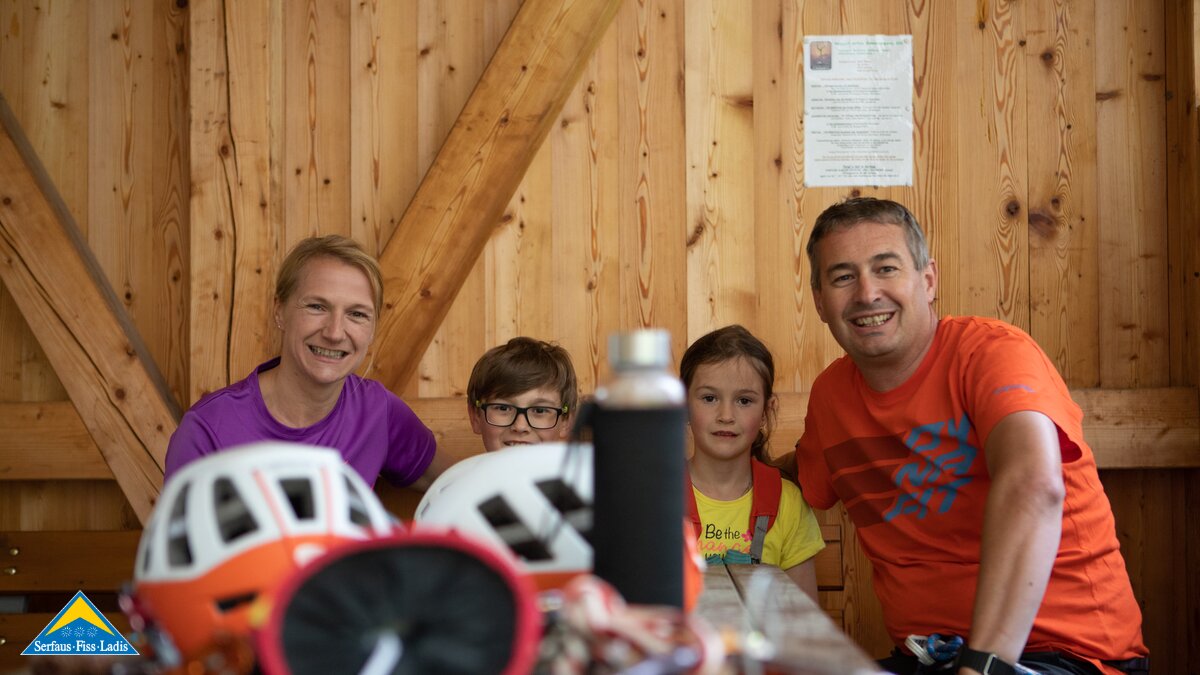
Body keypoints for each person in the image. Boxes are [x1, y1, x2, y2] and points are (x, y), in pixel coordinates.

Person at [794, 197, 1148, 675]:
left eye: (886, 268)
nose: (866, 292)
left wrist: (982, 666)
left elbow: (1035, 485)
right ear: (819, 301)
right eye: (842, 277)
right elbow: (800, 479)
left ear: (928, 280)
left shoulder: (992, 354)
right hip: (927, 659)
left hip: (1064, 657)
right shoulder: (830, 395)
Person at [164, 235, 453, 488]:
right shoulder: (207, 430)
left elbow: (457, 484)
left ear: (373, 327)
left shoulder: (379, 412)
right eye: (317, 306)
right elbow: (177, 548)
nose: (335, 332)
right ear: (280, 311)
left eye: (357, 314)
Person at [681, 325, 825, 601]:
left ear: (765, 411)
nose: (726, 415)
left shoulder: (788, 502)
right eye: (709, 398)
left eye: (744, 400)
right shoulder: (657, 499)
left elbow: (804, 619)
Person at [466, 337, 579, 452]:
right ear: (476, 416)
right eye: (503, 408)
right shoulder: (461, 470)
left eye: (540, 410)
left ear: (566, 421)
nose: (520, 427)